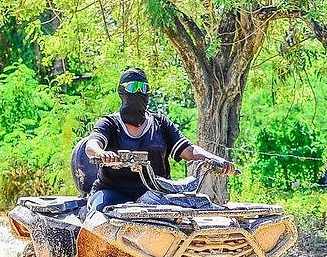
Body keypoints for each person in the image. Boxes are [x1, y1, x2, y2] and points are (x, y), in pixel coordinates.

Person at [85, 68, 237, 212]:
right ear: (121, 91)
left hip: (155, 194)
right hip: (113, 192)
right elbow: (92, 145)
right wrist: (101, 153)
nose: (139, 92)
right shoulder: (110, 123)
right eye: (133, 87)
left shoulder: (161, 124)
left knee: (187, 214)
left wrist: (216, 160)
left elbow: (189, 151)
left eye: (144, 88)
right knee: (99, 214)